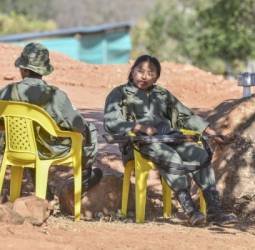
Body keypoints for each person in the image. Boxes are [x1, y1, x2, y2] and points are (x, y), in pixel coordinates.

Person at [104, 55, 237, 226]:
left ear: (157, 77)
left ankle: (214, 211)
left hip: (169, 139)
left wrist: (211, 132)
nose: (144, 76)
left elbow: (184, 115)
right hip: (137, 145)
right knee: (170, 157)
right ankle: (191, 211)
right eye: (140, 71)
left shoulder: (162, 94)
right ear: (132, 72)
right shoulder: (119, 93)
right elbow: (111, 122)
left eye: (150, 73)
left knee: (199, 154)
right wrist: (138, 127)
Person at [0, 42, 102, 196]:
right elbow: (78, 125)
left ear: (23, 69)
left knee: (29, 139)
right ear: (44, 71)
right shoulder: (55, 96)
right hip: (49, 150)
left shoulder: (6, 91)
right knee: (89, 129)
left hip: (15, 149)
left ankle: (45, 194)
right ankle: (84, 177)